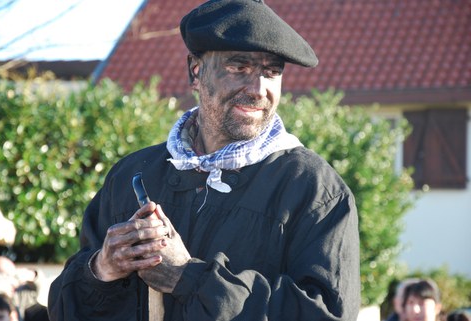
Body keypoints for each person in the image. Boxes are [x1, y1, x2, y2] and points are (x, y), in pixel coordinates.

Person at [48, 0, 360, 320]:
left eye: (271, 72)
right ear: (196, 72)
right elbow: (65, 309)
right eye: (239, 68)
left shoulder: (315, 189)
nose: (258, 89)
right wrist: (101, 269)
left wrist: (190, 278)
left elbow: (328, 315)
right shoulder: (132, 175)